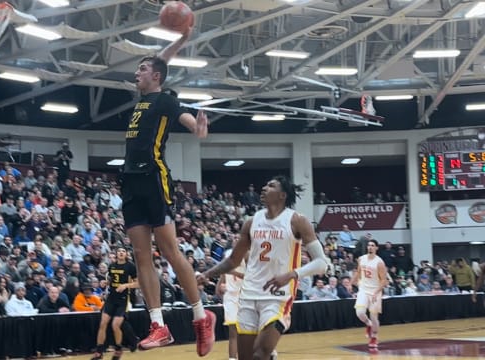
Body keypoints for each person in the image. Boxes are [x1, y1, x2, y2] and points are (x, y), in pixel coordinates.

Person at [121, 23, 215, 357]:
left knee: (170, 253)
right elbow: (158, 59)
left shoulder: (165, 101)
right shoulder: (144, 97)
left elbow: (185, 117)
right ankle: (158, 325)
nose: (138, 71)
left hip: (153, 177)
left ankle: (201, 317)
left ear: (156, 77)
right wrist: (183, 38)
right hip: (129, 180)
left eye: (142, 69)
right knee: (141, 256)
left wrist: (197, 130)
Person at [198, 176, 327, 360]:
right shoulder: (252, 221)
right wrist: (207, 274)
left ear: (282, 195)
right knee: (247, 357)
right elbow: (233, 261)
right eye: (265, 185)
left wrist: (291, 274)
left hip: (277, 297)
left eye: (271, 186)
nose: (264, 188)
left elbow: (322, 263)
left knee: (260, 354)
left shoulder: (297, 221)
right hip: (249, 294)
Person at [92, 247, 138, 360]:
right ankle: (99, 351)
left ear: (126, 254)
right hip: (111, 298)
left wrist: (125, 286)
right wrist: (105, 283)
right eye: (119, 251)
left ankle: (118, 349)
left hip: (123, 299)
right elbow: (112, 281)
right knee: (103, 323)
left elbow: (138, 284)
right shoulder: (112, 265)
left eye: (123, 251)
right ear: (116, 254)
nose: (121, 253)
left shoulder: (130, 266)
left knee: (115, 325)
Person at [351, 239, 388, 349]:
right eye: (369, 245)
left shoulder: (379, 262)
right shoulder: (361, 259)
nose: (370, 247)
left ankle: (374, 337)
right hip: (363, 289)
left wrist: (376, 292)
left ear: (376, 248)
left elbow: (384, 281)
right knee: (360, 313)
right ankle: (368, 324)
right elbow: (358, 272)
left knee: (374, 315)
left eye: (372, 245)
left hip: (375, 291)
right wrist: (351, 282)